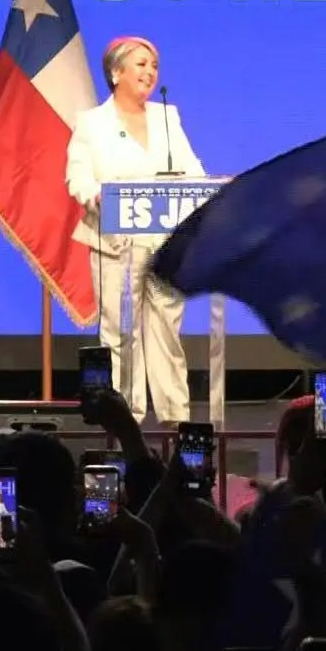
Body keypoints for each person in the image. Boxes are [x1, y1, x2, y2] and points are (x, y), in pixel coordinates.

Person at [65, 35, 206, 425]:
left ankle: (176, 420)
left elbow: (193, 172)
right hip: (115, 242)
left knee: (166, 333)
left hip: (164, 244)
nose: (150, 72)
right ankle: (126, 419)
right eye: (141, 64)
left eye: (154, 65)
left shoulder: (167, 117)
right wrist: (94, 195)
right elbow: (77, 175)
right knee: (120, 335)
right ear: (116, 72)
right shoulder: (92, 123)